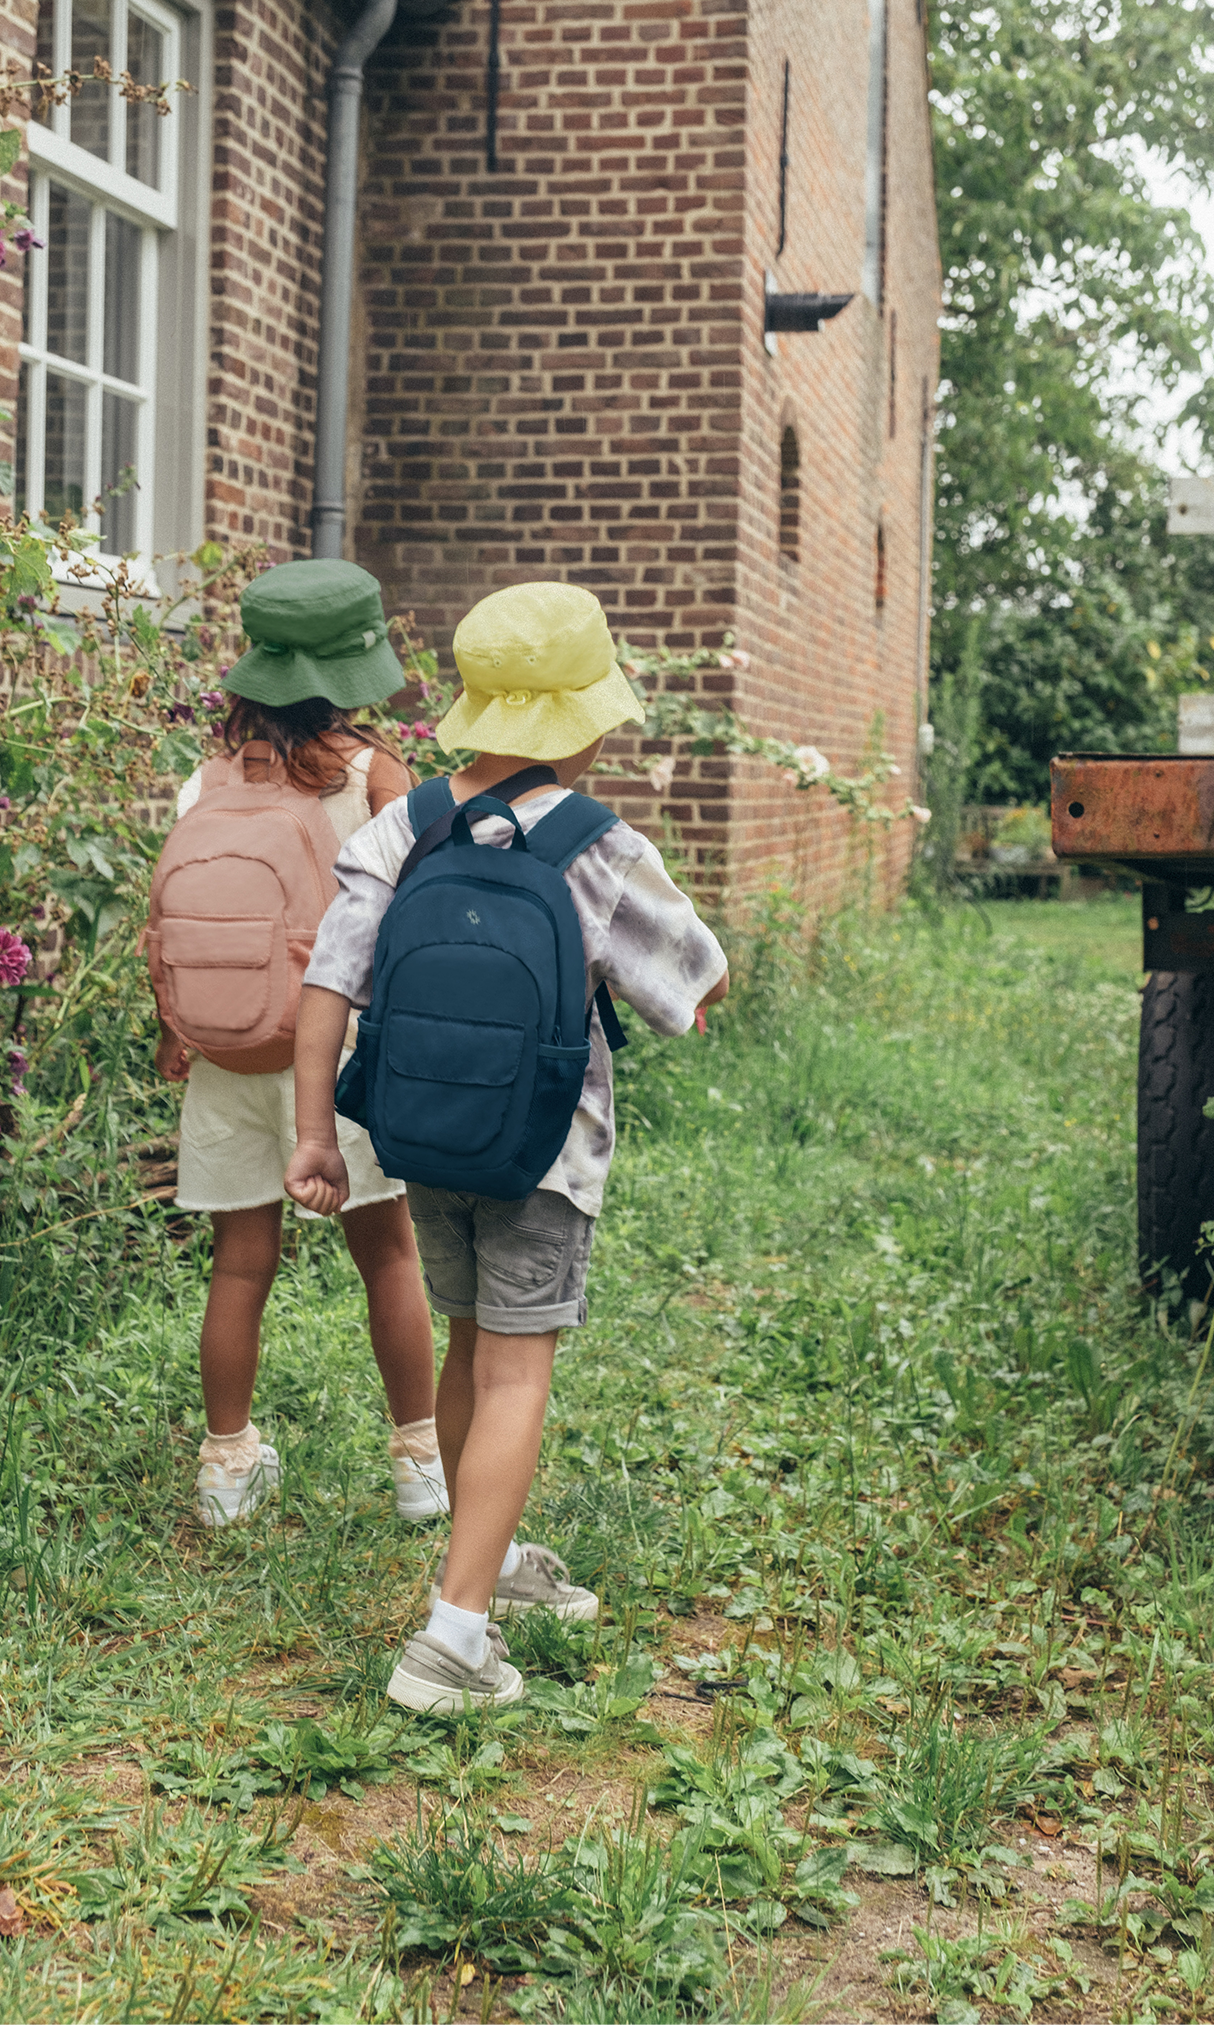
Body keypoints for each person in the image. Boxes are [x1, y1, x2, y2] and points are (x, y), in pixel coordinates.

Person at [283, 580, 729, 1711]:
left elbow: (329, 983)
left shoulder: (403, 823)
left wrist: (314, 1140)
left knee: (475, 1347)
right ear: (581, 721)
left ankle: (488, 1557)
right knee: (520, 1370)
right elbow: (698, 991)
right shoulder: (599, 847)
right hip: (545, 1155)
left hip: (422, 1141)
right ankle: (452, 1639)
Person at [154, 559, 448, 1529]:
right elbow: (419, 922)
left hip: (231, 1049)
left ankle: (226, 1468)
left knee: (241, 1263)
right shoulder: (376, 778)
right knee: (389, 1255)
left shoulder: (202, 782)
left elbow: (177, 921)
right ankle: (420, 1463)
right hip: (345, 1055)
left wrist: (175, 1033)